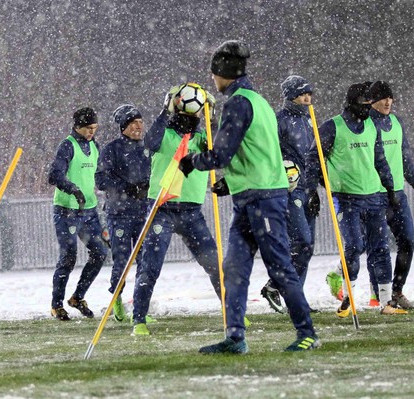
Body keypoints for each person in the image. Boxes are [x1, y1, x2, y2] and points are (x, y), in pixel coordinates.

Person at [179, 40, 318, 353]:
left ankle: (307, 333)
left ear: (223, 73)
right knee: (235, 269)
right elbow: (255, 152)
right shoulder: (258, 100)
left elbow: (224, 153)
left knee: (280, 266)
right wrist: (231, 184)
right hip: (249, 197)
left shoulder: (240, 103)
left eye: (214, 73)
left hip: (263, 199)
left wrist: (192, 162)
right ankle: (236, 338)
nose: (213, 79)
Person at [304, 82, 407, 317]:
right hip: (346, 198)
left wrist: (389, 188)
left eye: (370, 103)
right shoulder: (332, 127)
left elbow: (379, 159)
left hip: (373, 196)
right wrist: (313, 190)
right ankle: (347, 299)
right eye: (364, 104)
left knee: (380, 248)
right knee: (354, 246)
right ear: (352, 104)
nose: (368, 108)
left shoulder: (372, 126)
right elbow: (314, 159)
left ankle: (385, 303)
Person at [130, 84, 222, 336]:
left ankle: (232, 311)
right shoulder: (165, 135)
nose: (190, 119)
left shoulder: (204, 139)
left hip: (192, 211)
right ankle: (139, 319)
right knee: (151, 265)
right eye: (187, 114)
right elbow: (150, 142)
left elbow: (220, 147)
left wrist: (211, 118)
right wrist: (164, 110)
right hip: (162, 207)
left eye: (195, 116)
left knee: (215, 263)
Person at [362, 81, 414, 309]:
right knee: (376, 247)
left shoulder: (397, 122)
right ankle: (380, 294)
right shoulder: (365, 123)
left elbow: (405, 156)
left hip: (397, 195)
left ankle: (397, 290)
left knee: (407, 241)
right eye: (382, 98)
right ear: (372, 101)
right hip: (374, 195)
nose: (388, 102)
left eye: (390, 97)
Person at [260, 75, 320, 314]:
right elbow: (268, 154)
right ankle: (275, 284)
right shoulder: (279, 121)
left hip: (309, 190)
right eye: (302, 93)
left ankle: (297, 300)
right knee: (301, 242)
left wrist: (316, 187)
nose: (307, 98)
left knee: (308, 246)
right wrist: (282, 174)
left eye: (309, 94)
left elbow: (316, 159)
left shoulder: (311, 120)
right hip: (291, 191)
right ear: (290, 95)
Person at [48, 107, 108, 321]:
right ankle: (56, 305)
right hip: (67, 212)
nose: (92, 132)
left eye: (94, 128)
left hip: (89, 212)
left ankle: (77, 297)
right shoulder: (67, 146)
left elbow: (100, 176)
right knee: (68, 257)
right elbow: (54, 175)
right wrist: (73, 189)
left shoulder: (95, 146)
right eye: (88, 128)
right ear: (77, 126)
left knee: (100, 253)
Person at [95, 104, 151, 322]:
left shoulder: (149, 148)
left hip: (142, 213)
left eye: (140, 122)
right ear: (123, 126)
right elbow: (100, 180)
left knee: (146, 260)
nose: (138, 127)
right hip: (118, 214)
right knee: (122, 261)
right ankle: (116, 298)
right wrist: (126, 188)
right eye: (133, 123)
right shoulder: (112, 150)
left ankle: (140, 308)